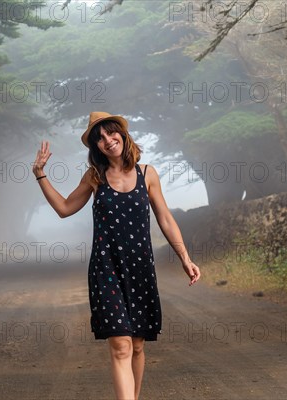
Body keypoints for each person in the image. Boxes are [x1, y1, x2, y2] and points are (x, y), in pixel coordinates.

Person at [32, 111, 201, 400]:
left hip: (140, 269)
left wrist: (185, 257)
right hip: (106, 268)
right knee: (121, 345)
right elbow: (64, 208)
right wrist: (40, 174)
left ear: (122, 135)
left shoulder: (147, 173)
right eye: (99, 139)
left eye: (111, 133)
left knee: (136, 345)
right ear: (95, 147)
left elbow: (165, 218)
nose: (107, 141)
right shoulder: (95, 177)